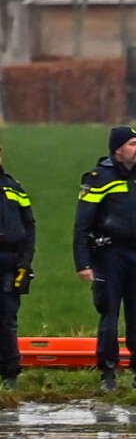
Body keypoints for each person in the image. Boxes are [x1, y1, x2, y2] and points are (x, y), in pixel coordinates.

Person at [74, 126, 136, 392]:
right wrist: (83, 262)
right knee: (109, 316)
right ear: (117, 149)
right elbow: (82, 224)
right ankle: (108, 374)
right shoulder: (99, 178)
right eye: (133, 144)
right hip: (109, 256)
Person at [0, 141, 35, 391]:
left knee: (7, 318)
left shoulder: (14, 187)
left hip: (10, 261)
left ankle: (10, 373)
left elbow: (29, 225)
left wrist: (25, 262)